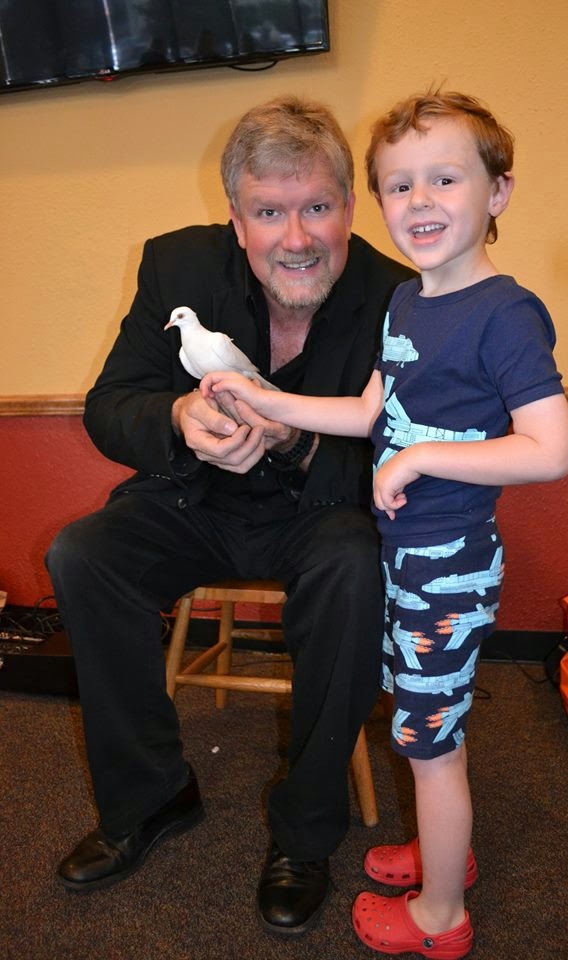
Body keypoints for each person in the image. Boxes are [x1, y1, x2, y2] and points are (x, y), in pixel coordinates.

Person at [200, 90, 568, 958]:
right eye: (400, 185)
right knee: (423, 726)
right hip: (404, 556)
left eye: (446, 178)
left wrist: (421, 458)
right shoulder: (406, 303)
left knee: (428, 745)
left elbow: (550, 450)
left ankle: (441, 916)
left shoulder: (505, 313)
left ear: (499, 191)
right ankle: (445, 856)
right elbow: (372, 411)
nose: (421, 201)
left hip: (448, 565)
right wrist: (265, 398)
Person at [45, 96, 415, 935]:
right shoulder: (175, 266)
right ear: (237, 220)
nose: (297, 237)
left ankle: (305, 833)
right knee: (82, 555)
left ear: (350, 209)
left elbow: (411, 455)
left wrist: (301, 445)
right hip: (197, 498)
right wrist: (177, 418)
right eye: (270, 212)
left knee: (354, 565)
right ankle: (150, 797)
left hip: (323, 509)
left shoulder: (401, 297)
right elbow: (111, 407)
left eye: (317, 207)